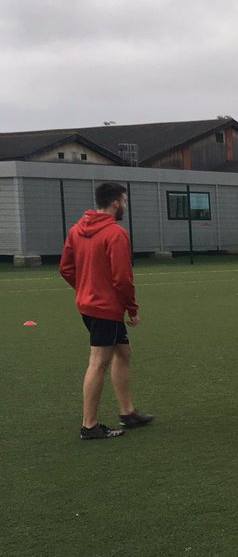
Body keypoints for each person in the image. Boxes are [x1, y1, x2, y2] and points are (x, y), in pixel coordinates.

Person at [59, 181, 154, 439]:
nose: (125, 205)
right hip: (105, 308)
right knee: (98, 362)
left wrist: (85, 288)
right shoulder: (116, 234)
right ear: (115, 203)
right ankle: (89, 426)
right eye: (124, 200)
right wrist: (131, 308)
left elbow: (66, 269)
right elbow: (122, 278)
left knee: (123, 352)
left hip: (89, 305)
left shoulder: (76, 230)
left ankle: (128, 412)